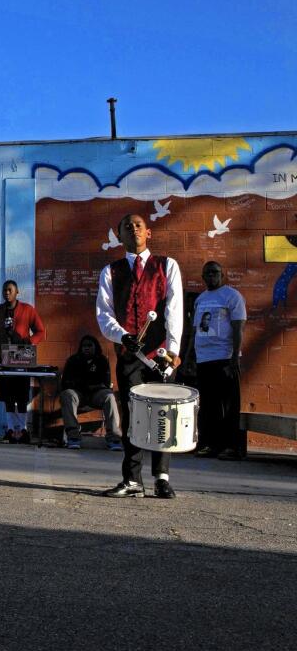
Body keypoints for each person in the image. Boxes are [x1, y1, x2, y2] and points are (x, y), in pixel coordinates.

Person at [96, 214, 183, 499]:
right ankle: (132, 480)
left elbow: (174, 310)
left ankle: (161, 478)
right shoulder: (110, 271)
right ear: (119, 236)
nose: (132, 229)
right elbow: (104, 313)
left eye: (138, 225)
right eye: (126, 227)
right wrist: (122, 336)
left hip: (160, 356)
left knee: (162, 416)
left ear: (149, 233)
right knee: (133, 417)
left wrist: (172, 350)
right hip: (129, 356)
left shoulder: (167, 266)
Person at [185, 261, 247, 460]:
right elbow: (194, 332)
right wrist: (188, 357)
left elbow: (238, 328)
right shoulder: (201, 299)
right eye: (207, 274)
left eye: (215, 273)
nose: (211, 276)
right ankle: (209, 445)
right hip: (204, 359)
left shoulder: (232, 296)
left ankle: (231, 447)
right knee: (208, 405)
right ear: (203, 277)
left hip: (225, 358)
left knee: (228, 405)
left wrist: (234, 357)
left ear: (223, 274)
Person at [0, 279, 46, 443]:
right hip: (3, 356)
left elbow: (41, 331)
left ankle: (22, 430)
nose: (7, 293)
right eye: (4, 290)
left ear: (17, 292)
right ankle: (11, 429)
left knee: (22, 395)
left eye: (10, 290)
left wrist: (28, 342)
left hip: (22, 356)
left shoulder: (27, 310)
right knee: (7, 395)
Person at [58, 335, 121, 450]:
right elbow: (66, 382)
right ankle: (73, 436)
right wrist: (87, 384)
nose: (86, 348)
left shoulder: (101, 360)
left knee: (109, 396)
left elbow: (105, 383)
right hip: (78, 394)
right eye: (84, 346)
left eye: (89, 346)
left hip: (95, 394)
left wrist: (85, 383)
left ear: (96, 347)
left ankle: (114, 437)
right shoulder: (73, 360)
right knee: (67, 394)